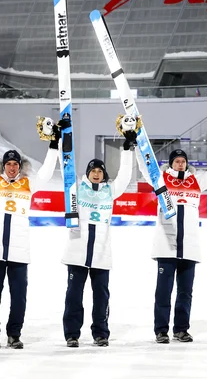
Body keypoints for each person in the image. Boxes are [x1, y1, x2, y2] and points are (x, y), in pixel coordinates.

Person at [136, 130, 207, 344]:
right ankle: (161, 331)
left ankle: (181, 329)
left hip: (189, 248)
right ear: (171, 164)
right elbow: (145, 166)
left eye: (183, 161)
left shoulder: (196, 182)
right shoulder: (160, 179)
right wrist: (136, 144)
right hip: (166, 246)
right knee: (163, 293)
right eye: (177, 161)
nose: (180, 164)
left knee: (185, 293)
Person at [0, 119, 66, 350]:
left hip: (19, 251)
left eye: (15, 164)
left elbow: (47, 173)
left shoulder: (28, 184)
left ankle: (14, 334)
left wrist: (53, 144)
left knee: (19, 297)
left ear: (20, 167)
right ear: (2, 166)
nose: (11, 168)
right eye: (8, 164)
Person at [61, 127, 136, 348]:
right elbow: (65, 166)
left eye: (100, 171)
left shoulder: (110, 191)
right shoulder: (76, 188)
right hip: (77, 253)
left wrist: (126, 148)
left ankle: (100, 333)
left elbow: (124, 175)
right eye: (93, 170)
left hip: (101, 254)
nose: (96, 173)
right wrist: (60, 142)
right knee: (74, 297)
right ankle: (72, 334)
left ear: (104, 174)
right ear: (87, 172)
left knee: (101, 298)